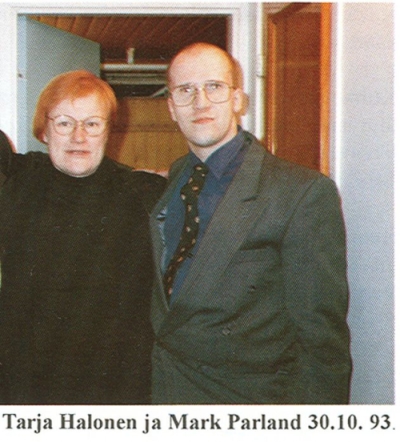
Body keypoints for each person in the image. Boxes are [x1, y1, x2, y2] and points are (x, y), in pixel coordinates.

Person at [149, 42, 352, 404]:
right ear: (171, 108)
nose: (200, 102)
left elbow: (321, 341)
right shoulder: (177, 177)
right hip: (167, 394)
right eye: (185, 90)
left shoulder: (301, 192)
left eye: (214, 87)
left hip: (249, 405)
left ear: (237, 99)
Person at [0, 70, 165, 404]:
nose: (79, 136)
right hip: (25, 391)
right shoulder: (17, 181)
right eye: (64, 123)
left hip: (112, 393)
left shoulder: (142, 194)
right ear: (44, 130)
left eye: (92, 123)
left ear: (109, 131)